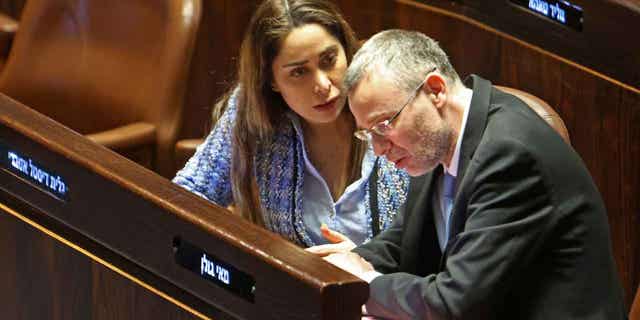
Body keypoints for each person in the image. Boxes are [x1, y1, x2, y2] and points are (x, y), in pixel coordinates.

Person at [317, 29, 626, 319]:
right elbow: (402, 242)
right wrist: (342, 269)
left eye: (384, 126)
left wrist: (366, 282)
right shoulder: (436, 140)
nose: (380, 149)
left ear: (435, 90)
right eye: (368, 134)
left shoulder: (511, 155)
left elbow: (456, 303)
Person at [173, 0, 409, 248]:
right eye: (299, 72)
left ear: (346, 51)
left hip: (385, 284)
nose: (323, 85)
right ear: (271, 80)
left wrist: (366, 260)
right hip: (289, 282)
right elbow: (189, 196)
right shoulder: (251, 113)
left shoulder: (390, 101)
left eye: (329, 60)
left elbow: (435, 242)